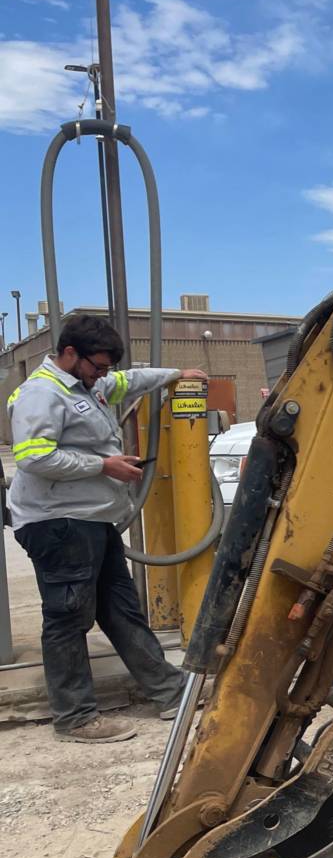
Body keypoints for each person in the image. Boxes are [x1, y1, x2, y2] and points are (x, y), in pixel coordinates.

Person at [6, 315, 207, 743]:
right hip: (57, 523)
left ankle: (170, 692)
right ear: (69, 354)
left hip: (93, 519)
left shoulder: (88, 384)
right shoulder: (42, 394)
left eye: (106, 368)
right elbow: (33, 458)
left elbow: (128, 381)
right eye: (97, 366)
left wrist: (176, 375)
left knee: (120, 609)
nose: (104, 376)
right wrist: (104, 465)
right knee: (67, 618)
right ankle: (75, 717)